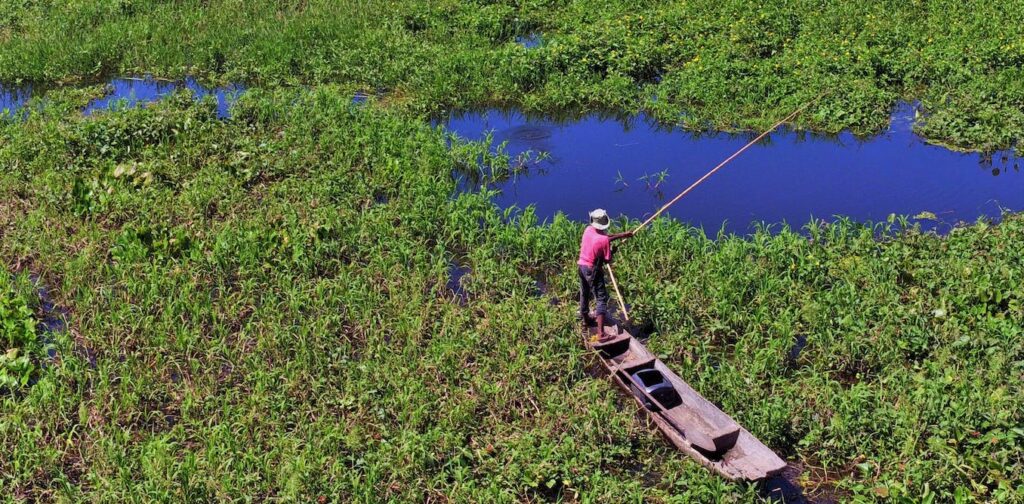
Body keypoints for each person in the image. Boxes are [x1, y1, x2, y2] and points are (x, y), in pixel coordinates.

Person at [578, 209, 633, 340]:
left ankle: (586, 319)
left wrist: (622, 235)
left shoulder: (588, 230)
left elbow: (605, 238)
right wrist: (612, 251)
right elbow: (607, 259)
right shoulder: (603, 241)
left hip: (581, 266)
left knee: (584, 293)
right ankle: (601, 334)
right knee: (601, 298)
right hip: (593, 270)